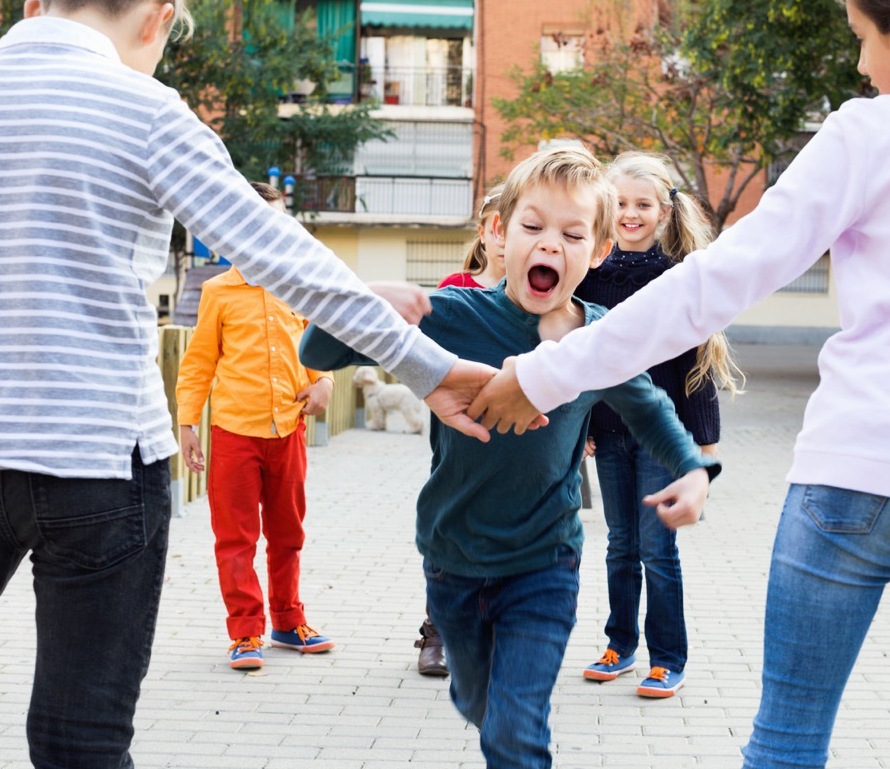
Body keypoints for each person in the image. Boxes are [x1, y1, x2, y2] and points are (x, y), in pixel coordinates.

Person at [468, 0, 890, 766]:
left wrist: (543, 373)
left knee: (787, 744)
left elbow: (712, 283)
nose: (859, 65)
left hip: (852, 482)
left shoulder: (872, 133)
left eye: (862, 40)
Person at [0, 0, 492, 765]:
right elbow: (276, 254)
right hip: (100, 462)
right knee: (80, 739)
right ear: (159, 21)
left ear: (37, 8)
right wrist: (428, 367)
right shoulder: (144, 109)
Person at [300, 146, 721, 768]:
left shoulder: (595, 339)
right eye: (533, 227)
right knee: (477, 702)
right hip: (453, 560)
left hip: (544, 564)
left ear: (598, 251)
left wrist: (692, 468)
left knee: (514, 733)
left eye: (572, 234)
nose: (550, 243)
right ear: (500, 233)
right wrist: (364, 299)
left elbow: (650, 408)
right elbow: (321, 346)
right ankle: (488, 708)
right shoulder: (453, 313)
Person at [575, 152, 740, 699]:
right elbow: (579, 356)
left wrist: (704, 450)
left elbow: (698, 367)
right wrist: (580, 426)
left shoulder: (679, 279)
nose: (630, 213)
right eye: (620, 203)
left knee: (656, 550)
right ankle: (620, 645)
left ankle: (668, 658)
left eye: (642, 204)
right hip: (608, 433)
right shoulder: (590, 277)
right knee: (619, 546)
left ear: (664, 211)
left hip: (661, 438)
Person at [175, 182, 339, 670]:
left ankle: (288, 622)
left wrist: (325, 381)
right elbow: (199, 362)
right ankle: (245, 632)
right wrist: (187, 424)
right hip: (233, 433)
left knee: (288, 532)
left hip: (288, 429)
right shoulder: (218, 292)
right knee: (236, 537)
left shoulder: (298, 284)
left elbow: (316, 347)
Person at [411, 182, 509, 678]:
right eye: (506, 228)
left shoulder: (544, 298)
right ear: (489, 232)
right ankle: (438, 633)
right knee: (450, 528)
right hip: (457, 435)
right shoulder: (455, 289)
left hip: (518, 441)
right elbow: (424, 356)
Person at [439, 183, 506, 289]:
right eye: (494, 232)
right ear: (482, 234)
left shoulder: (536, 291)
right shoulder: (455, 286)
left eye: (509, 234)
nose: (503, 243)